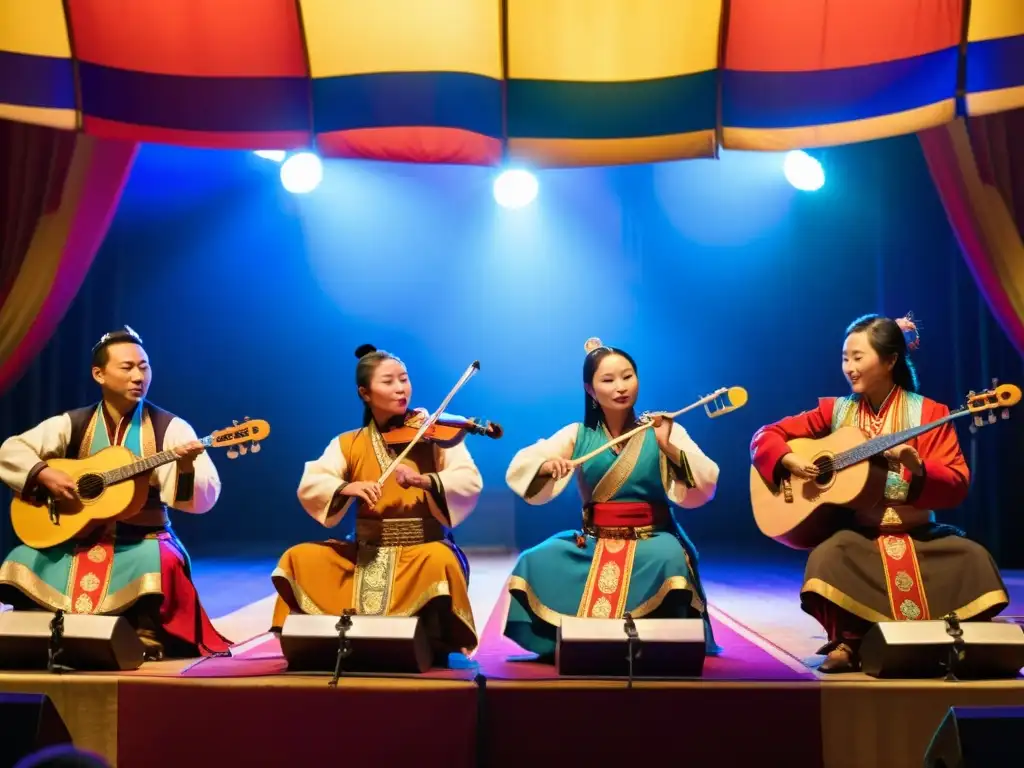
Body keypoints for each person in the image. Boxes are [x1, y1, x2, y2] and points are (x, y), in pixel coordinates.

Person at [750, 313, 1009, 673]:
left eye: (859, 357)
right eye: (845, 358)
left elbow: (957, 481)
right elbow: (766, 435)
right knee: (828, 558)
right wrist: (788, 459)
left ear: (890, 361)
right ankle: (848, 641)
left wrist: (918, 469)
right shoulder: (835, 410)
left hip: (920, 535)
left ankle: (957, 639)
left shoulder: (929, 413)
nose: (849, 367)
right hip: (861, 536)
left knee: (973, 558)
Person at [0, 327, 231, 659]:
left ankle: (145, 634)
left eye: (144, 366)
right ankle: (33, 631)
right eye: (127, 367)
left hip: (141, 538)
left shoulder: (171, 429)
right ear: (99, 374)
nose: (139, 376)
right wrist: (45, 473)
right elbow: (11, 450)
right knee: (22, 557)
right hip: (76, 535)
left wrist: (184, 467)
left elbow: (197, 500)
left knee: (159, 560)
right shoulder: (73, 423)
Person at [504, 338, 722, 659]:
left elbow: (706, 479)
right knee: (534, 559)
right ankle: (564, 640)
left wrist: (668, 446)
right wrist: (549, 465)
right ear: (590, 391)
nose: (620, 387)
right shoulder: (577, 434)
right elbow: (523, 465)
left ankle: (662, 644)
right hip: (594, 541)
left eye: (628, 376)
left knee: (670, 558)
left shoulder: (661, 428)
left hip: (651, 538)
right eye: (608, 380)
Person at [271, 345, 483, 661]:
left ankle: (434, 638)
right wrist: (347, 487)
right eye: (389, 381)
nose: (401, 388)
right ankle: (318, 641)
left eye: (404, 379)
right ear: (365, 393)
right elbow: (313, 482)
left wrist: (425, 480)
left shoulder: (435, 435)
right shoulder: (348, 443)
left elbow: (468, 479)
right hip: (365, 552)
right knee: (298, 557)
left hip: (420, 552)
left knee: (441, 560)